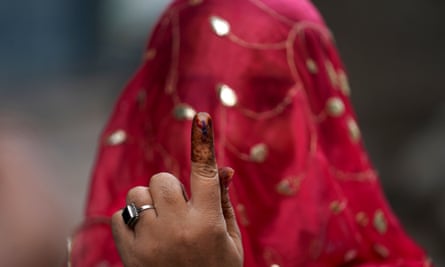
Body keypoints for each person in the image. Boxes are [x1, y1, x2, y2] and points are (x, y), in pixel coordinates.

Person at [70, 0, 432, 266]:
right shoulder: (118, 252)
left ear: (323, 114)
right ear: (154, 112)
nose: (227, 125)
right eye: (193, 91)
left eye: (268, 97)